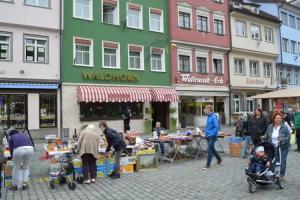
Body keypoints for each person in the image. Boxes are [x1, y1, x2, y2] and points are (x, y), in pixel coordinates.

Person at [263, 112, 290, 180]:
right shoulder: (270, 126)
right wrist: (263, 137)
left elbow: (288, 137)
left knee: (282, 161)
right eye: (278, 118)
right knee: (272, 160)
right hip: (272, 146)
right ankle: (271, 174)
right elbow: (266, 135)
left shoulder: (284, 127)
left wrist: (282, 139)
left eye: (280, 118)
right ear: (274, 119)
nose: (279, 119)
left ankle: (282, 175)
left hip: (282, 146)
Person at [202, 105, 222, 170]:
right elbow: (208, 126)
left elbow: (217, 127)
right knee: (212, 149)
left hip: (212, 136)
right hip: (208, 135)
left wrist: (212, 134)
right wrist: (204, 131)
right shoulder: (208, 117)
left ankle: (208, 164)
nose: (204, 110)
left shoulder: (213, 117)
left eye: (205, 109)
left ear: (209, 110)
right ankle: (219, 159)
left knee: (209, 149)